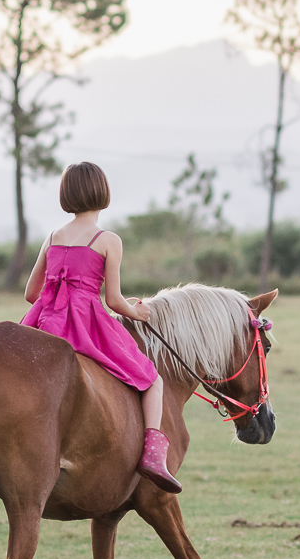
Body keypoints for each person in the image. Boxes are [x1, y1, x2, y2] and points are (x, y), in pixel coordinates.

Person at [22, 161, 181, 493]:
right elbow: (114, 300)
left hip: (46, 321)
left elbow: (30, 294)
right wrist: (137, 313)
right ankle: (153, 457)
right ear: (103, 193)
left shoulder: (52, 237)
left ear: (65, 195)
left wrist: (56, 297)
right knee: (151, 379)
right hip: (86, 323)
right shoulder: (107, 240)